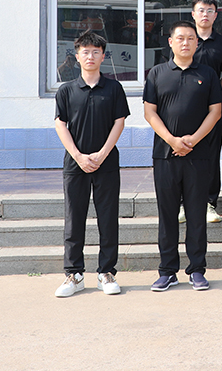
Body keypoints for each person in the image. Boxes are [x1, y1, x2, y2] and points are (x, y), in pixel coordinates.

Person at [143, 20, 222, 293]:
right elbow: (150, 112)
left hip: (198, 156)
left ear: (197, 43)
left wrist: (193, 140)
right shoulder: (157, 73)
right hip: (165, 156)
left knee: (196, 214)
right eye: (180, 38)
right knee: (167, 215)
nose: (186, 42)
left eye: (191, 38)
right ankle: (167, 271)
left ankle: (197, 269)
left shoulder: (208, 74)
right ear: (171, 42)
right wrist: (172, 140)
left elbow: (215, 112)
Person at [53, 30, 129, 298]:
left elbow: (119, 122)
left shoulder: (114, 88)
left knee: (108, 218)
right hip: (75, 164)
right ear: (77, 56)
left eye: (96, 52)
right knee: (74, 218)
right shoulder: (66, 90)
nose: (90, 56)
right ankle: (74, 274)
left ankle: (106, 272)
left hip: (106, 163)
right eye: (85, 52)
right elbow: (60, 124)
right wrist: (78, 156)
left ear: (103, 56)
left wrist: (102, 154)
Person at [188, 0, 222, 224]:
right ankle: (184, 203)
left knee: (211, 154)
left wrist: (214, 94)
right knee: (185, 153)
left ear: (216, 15)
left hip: (213, 109)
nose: (205, 14)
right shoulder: (186, 39)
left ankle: (209, 203)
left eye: (210, 11)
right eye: (201, 10)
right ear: (193, 14)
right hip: (186, 107)